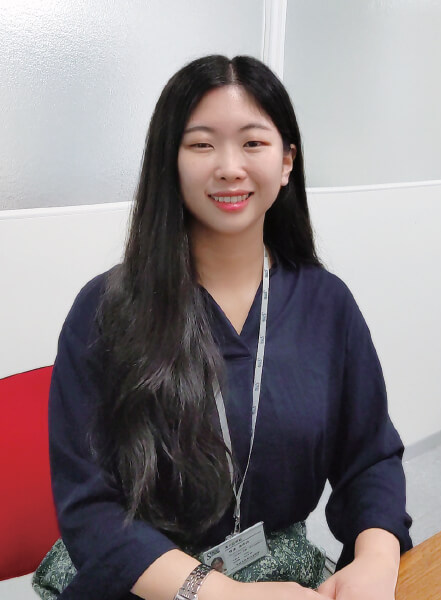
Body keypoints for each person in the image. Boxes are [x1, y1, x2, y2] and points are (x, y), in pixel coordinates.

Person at [43, 55, 412, 600]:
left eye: (253, 142)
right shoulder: (105, 310)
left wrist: (377, 557)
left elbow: (371, 457)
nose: (230, 167)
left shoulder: (327, 303)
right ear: (169, 162)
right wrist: (224, 594)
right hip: (143, 581)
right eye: (201, 145)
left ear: (286, 162)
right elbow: (91, 508)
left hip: (278, 571)